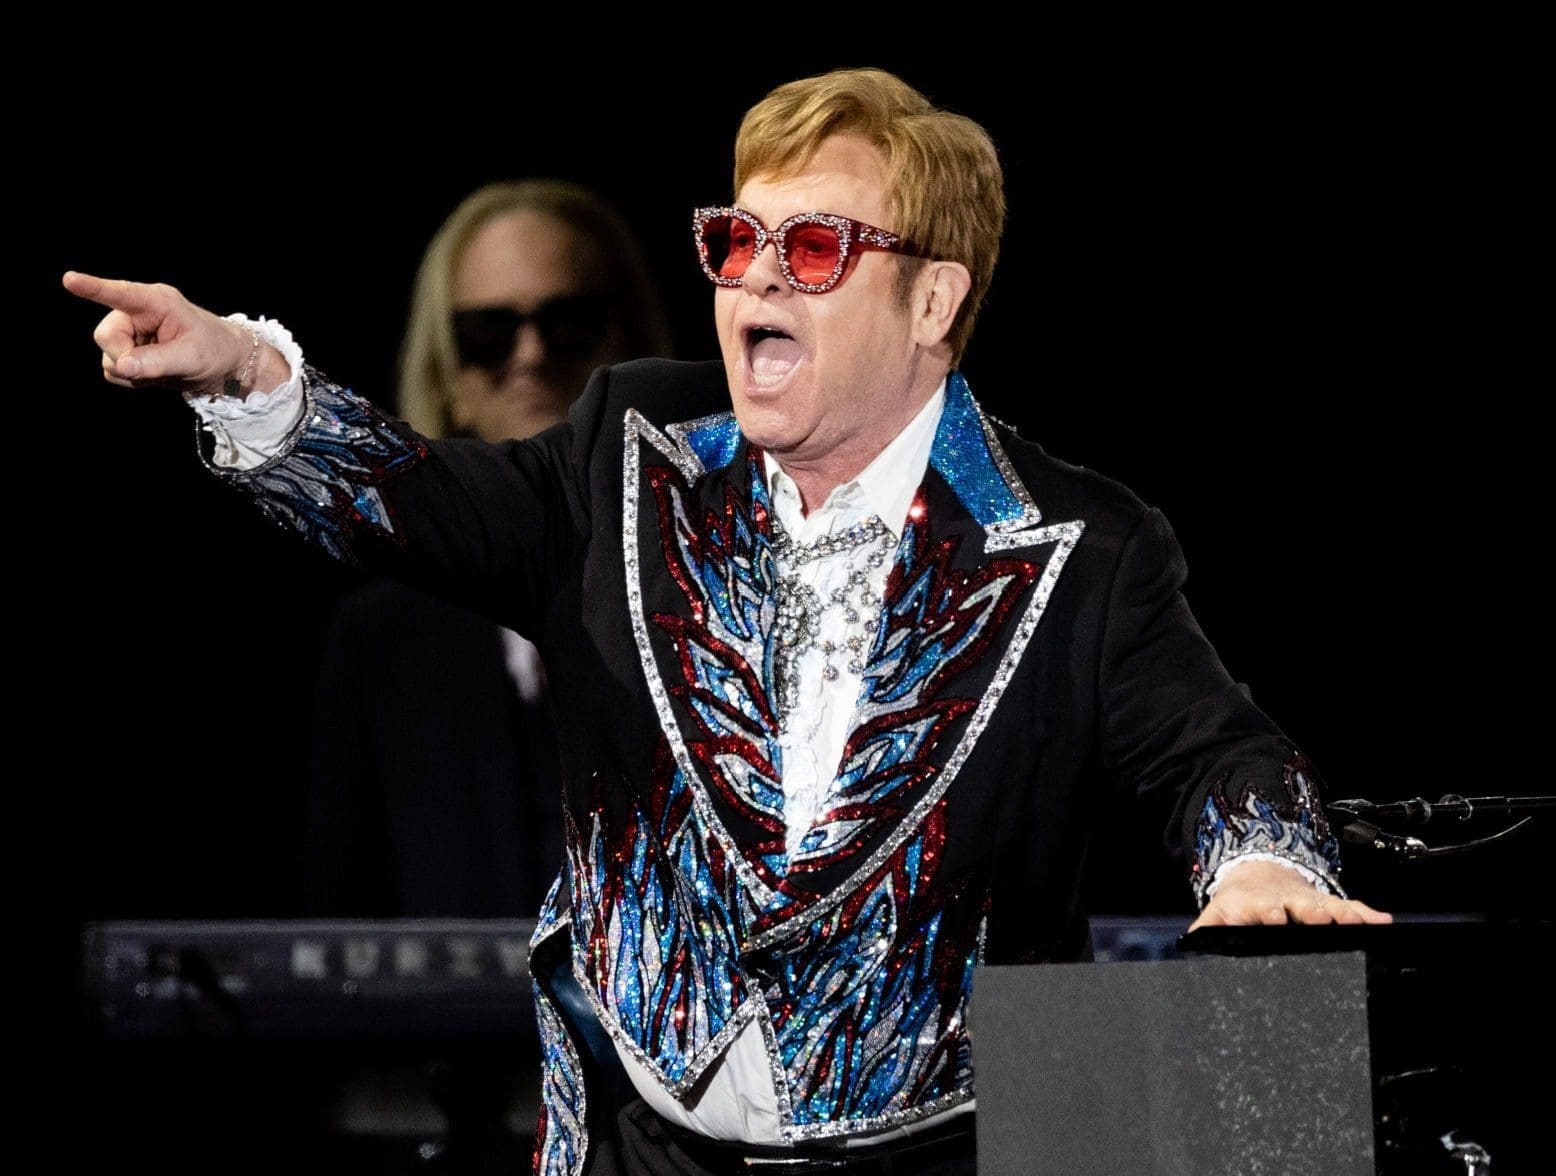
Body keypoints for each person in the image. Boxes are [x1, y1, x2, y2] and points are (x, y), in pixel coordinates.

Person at [66, 67, 1389, 1176]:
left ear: (932, 301)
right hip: (650, 1138)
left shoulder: (1078, 545)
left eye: (812, 249)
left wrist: (1258, 863)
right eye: (734, 243)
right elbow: (414, 500)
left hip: (951, 1139)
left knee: (1297, 1090)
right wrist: (244, 374)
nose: (758, 280)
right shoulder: (626, 454)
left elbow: (1217, 753)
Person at [307, 180, 673, 920]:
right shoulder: (382, 640)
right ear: (449, 376)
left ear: (629, 347)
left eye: (568, 323)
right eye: (486, 332)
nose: (530, 356)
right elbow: (336, 928)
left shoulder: (723, 589)